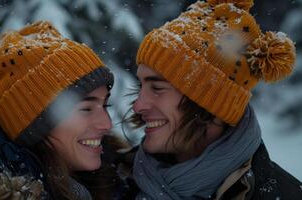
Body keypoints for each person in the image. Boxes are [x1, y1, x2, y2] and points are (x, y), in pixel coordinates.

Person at [123, 0, 302, 199]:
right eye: (141, 86)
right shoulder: (117, 183)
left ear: (208, 103)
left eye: (157, 88)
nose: (138, 105)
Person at [0, 21, 121, 199]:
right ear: (34, 124)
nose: (107, 124)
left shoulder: (118, 180)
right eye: (86, 109)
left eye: (105, 105)